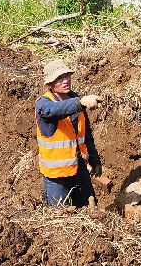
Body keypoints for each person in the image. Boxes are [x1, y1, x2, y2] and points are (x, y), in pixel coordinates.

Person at [36, 58, 102, 208]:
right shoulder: (44, 104)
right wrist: (80, 103)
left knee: (91, 211)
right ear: (50, 84)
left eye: (67, 76)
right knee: (62, 216)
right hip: (57, 178)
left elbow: (86, 136)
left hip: (79, 170)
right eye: (59, 78)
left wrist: (95, 160)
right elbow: (53, 110)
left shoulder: (76, 99)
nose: (65, 80)